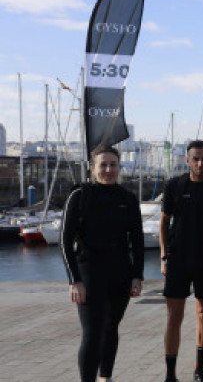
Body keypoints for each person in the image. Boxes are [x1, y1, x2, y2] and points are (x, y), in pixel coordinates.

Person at [61, 145, 144, 382]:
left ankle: (105, 378)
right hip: (89, 273)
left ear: (119, 167)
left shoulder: (127, 199)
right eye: (103, 165)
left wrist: (137, 276)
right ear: (92, 168)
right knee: (93, 332)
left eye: (113, 165)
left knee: (111, 329)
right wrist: (74, 280)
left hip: (120, 273)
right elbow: (65, 242)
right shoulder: (80, 195)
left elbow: (137, 240)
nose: (108, 170)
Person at [160, 140, 203, 382]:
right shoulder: (174, 185)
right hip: (178, 259)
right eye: (196, 159)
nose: (201, 163)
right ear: (188, 160)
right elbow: (163, 221)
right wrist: (163, 256)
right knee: (174, 317)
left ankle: (200, 369)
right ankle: (170, 373)